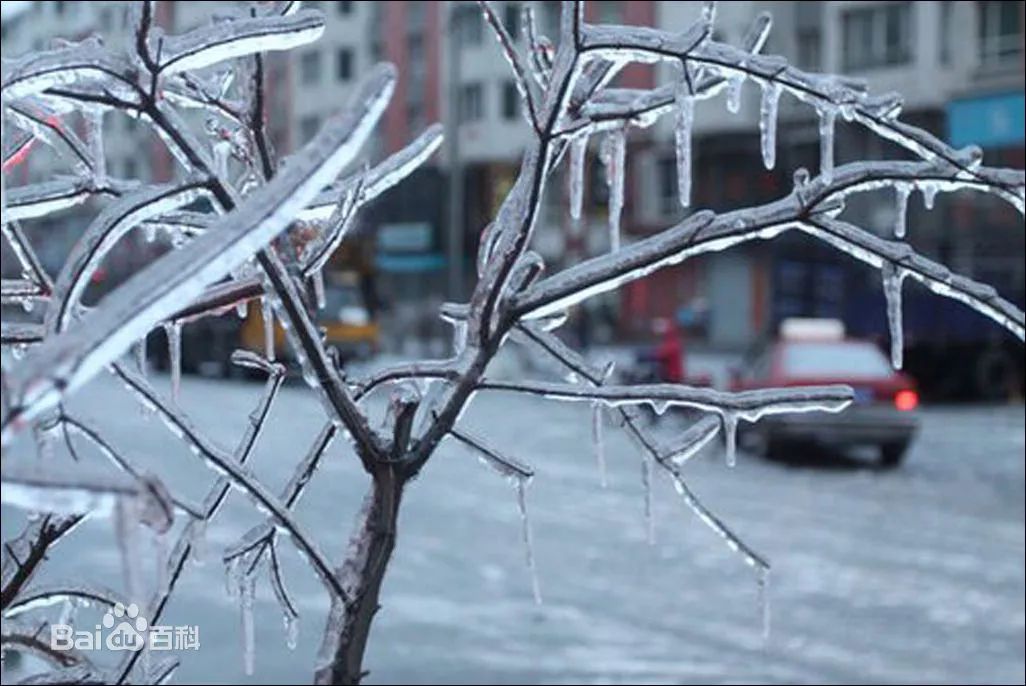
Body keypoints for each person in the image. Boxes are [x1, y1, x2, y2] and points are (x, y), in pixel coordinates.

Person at [651, 317, 684, 383]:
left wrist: (645, 355)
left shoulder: (671, 344)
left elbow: (661, 355)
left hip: (672, 377)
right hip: (670, 375)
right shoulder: (672, 342)